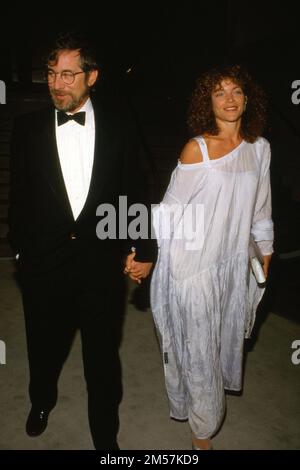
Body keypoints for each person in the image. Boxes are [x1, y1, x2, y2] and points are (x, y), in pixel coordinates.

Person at [8, 31, 155, 450]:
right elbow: (19, 198)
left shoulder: (121, 126)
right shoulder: (27, 128)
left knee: (102, 358)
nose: (57, 84)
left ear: (92, 76)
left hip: (99, 266)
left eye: (69, 75)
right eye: (52, 74)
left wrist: (143, 248)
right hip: (42, 265)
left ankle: (104, 435)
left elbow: (134, 193)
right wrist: (21, 250)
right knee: (42, 345)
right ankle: (41, 400)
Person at [149, 64, 274, 450]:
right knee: (201, 349)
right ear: (208, 102)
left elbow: (261, 209)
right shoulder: (196, 149)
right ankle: (202, 431)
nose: (230, 99)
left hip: (234, 265)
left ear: (248, 99)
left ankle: (200, 404)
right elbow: (168, 212)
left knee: (222, 343)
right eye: (220, 92)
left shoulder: (261, 148)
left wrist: (265, 251)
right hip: (195, 268)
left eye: (236, 91)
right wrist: (154, 259)